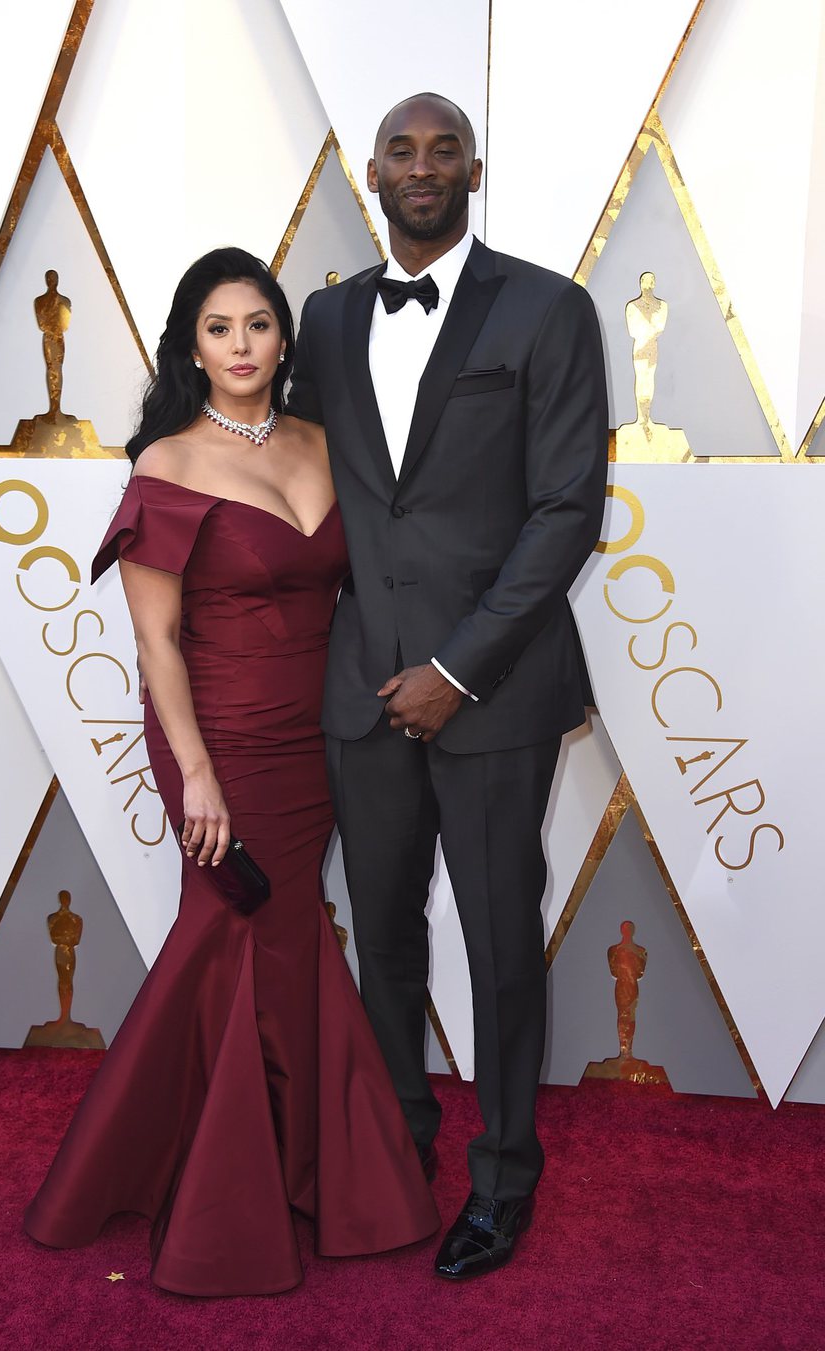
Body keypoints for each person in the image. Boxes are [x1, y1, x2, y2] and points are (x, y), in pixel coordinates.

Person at [24, 247, 439, 1296]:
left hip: (320, 733)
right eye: (220, 328)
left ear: (284, 338)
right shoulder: (165, 464)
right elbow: (157, 642)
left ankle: (295, 1165)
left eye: (259, 324)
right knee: (229, 928)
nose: (243, 346)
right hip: (219, 734)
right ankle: (220, 1195)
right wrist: (196, 778)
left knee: (286, 936)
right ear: (190, 345)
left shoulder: (322, 442)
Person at [286, 93, 609, 1281]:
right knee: (382, 940)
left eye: (443, 149)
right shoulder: (321, 320)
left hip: (495, 690)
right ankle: (393, 1152)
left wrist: (459, 669)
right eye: (401, 151)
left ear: (475, 168)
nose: (422, 167)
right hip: (359, 688)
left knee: (498, 943)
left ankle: (505, 1177)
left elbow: (568, 507)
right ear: (371, 171)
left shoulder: (548, 308)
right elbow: (288, 467)